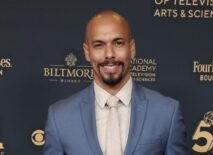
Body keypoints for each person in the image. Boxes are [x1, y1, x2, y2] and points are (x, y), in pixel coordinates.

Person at [43, 10, 188, 155]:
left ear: (131, 48)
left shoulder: (167, 113)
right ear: (87, 52)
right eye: (99, 45)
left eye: (118, 43)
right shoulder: (59, 117)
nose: (109, 54)